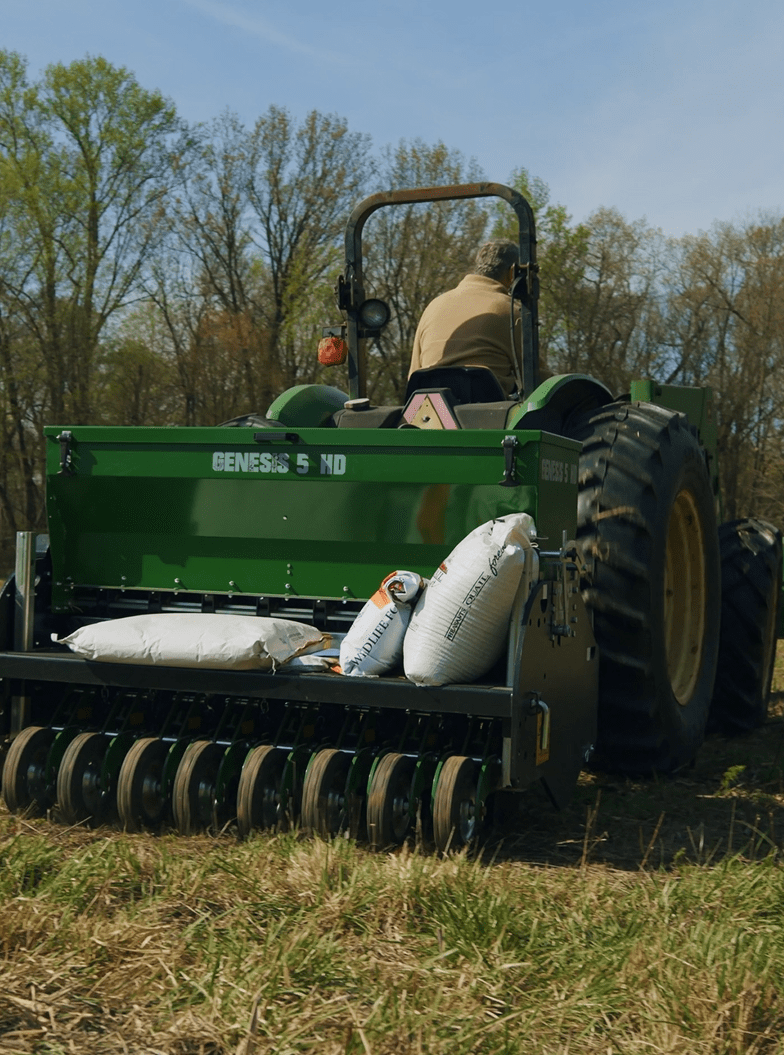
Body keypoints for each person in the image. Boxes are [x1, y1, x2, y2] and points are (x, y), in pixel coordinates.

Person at [409, 240, 535, 399]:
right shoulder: (511, 310)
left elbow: (414, 375)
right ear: (512, 273)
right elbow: (536, 377)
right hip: (488, 417)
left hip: (431, 414)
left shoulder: (432, 307)